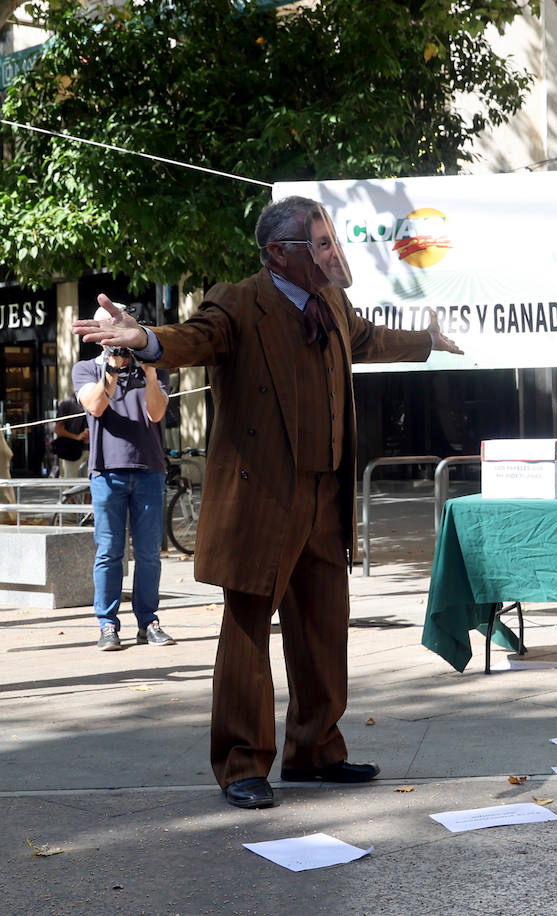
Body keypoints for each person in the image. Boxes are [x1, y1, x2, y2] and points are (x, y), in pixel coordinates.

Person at [74, 195, 464, 811]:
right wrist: (146, 339)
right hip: (263, 497)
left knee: (323, 627)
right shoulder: (238, 301)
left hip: (324, 493)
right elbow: (194, 338)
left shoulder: (332, 304)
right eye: (322, 243)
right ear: (280, 252)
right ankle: (241, 764)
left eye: (333, 241)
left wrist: (427, 340)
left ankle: (315, 750)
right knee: (247, 632)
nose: (334, 253)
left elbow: (366, 338)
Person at [74, 346, 173, 652]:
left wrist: (151, 374)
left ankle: (148, 623)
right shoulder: (86, 368)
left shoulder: (155, 367)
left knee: (148, 553)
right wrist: (112, 371)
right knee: (109, 552)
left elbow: (156, 413)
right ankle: (107, 625)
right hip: (106, 472)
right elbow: (95, 406)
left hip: (149, 469)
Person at [52, 393, 90, 478]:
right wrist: (77, 437)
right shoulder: (68, 403)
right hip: (73, 450)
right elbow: (58, 429)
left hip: (93, 450)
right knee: (71, 482)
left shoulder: (96, 399)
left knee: (91, 482)